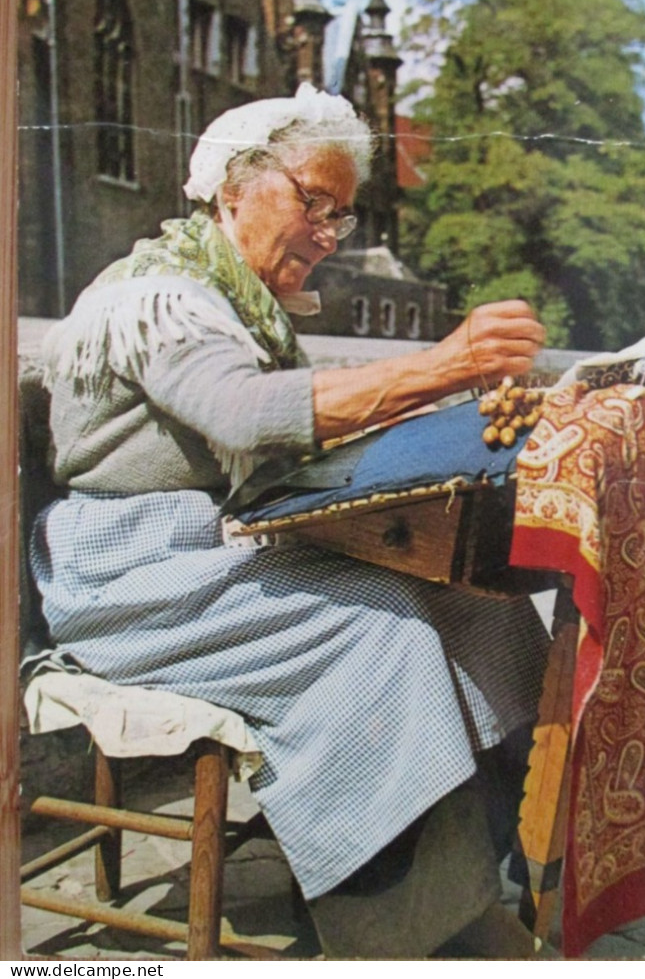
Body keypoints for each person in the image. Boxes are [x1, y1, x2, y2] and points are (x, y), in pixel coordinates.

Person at [32, 83, 549, 959]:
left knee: (482, 607)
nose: (326, 232)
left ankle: (483, 861)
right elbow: (240, 412)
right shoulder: (157, 295)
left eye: (340, 216)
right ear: (234, 188)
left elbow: (289, 431)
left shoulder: (244, 304)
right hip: (130, 573)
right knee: (381, 637)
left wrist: (439, 407)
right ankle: (419, 933)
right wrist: (444, 361)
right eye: (313, 201)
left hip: (215, 557)